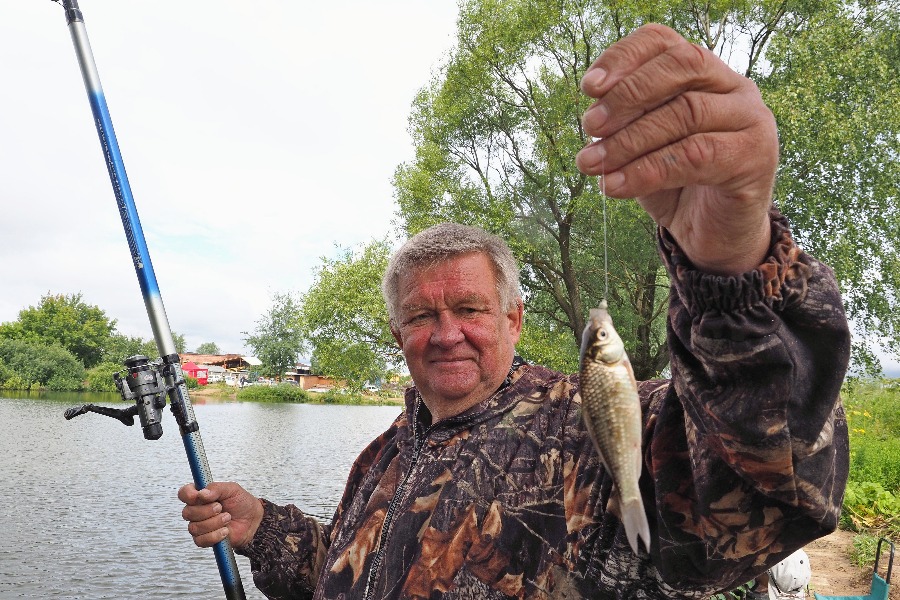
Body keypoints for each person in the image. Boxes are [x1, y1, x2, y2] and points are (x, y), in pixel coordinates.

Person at [178, 23, 850, 599]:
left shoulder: (577, 432)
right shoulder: (383, 454)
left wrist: (730, 274)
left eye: (469, 307)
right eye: (421, 317)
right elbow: (356, 572)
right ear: (396, 335)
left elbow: (770, 488)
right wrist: (263, 529)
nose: (446, 334)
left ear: (514, 320)